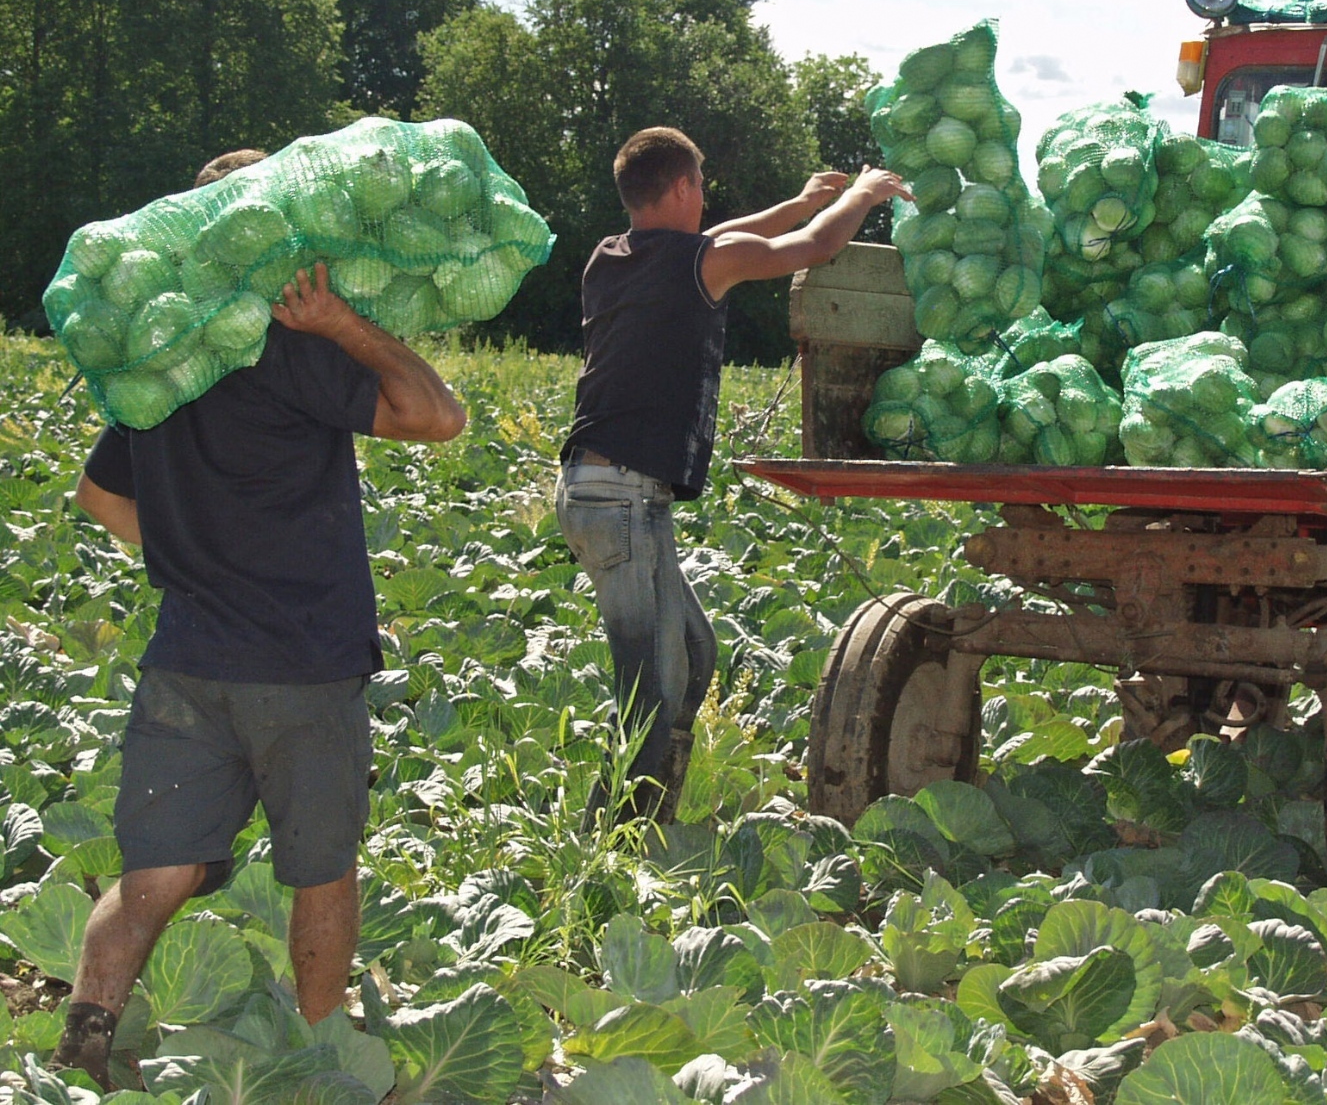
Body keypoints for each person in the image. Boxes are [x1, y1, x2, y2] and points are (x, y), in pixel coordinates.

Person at [52, 152, 467, 1088]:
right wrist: (343, 324)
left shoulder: (159, 368)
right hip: (301, 664)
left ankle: (85, 1037)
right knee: (319, 868)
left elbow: (96, 496)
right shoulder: (285, 349)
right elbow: (438, 415)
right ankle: (318, 1052)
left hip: (187, 663)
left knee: (155, 873)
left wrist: (186, 560)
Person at [557, 126, 909, 823]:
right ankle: (620, 839)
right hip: (621, 494)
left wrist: (798, 199)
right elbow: (808, 251)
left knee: (692, 653)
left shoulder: (611, 256)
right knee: (652, 688)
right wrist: (862, 197)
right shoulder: (702, 264)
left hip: (601, 490)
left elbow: (725, 236)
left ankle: (654, 808)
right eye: (702, 183)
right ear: (685, 187)